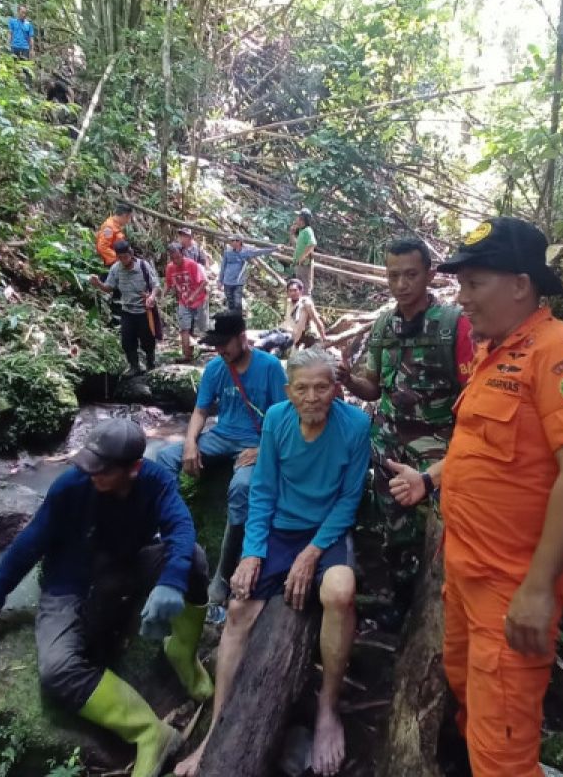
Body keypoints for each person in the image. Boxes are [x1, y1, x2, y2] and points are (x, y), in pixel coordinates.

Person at [403, 217, 563, 777]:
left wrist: (539, 589)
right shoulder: (494, 353)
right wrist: (430, 481)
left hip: (512, 586)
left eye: (475, 283)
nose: (462, 298)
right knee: (469, 701)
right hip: (464, 574)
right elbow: (479, 449)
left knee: (502, 748)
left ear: (521, 284)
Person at [0, 419, 213, 777]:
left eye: (102, 471)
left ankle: (181, 652)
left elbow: (180, 527)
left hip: (127, 565)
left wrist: (171, 581)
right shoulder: (70, 486)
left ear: (132, 468)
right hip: (70, 584)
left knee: (192, 558)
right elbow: (29, 544)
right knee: (58, 670)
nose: (92, 475)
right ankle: (150, 733)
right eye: (88, 466)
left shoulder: (155, 480)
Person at [175, 347, 370, 777]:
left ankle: (327, 711)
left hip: (327, 531)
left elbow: (348, 500)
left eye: (323, 386)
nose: (313, 396)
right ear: (289, 391)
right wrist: (251, 553)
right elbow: (262, 491)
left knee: (339, 592)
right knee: (240, 608)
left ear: (336, 389)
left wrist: (312, 552)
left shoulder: (355, 424)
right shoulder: (278, 419)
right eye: (303, 388)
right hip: (282, 528)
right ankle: (215, 731)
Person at [337, 237, 474, 600]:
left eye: (411, 274)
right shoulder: (383, 326)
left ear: (429, 274)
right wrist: (349, 379)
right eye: (393, 275)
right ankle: (398, 590)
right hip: (389, 446)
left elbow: (474, 396)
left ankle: (442, 593)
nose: (401, 284)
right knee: (394, 526)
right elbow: (373, 387)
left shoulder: (453, 325)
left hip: (439, 446)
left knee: (446, 525)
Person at [154, 312, 288, 607]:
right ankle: (169, 536)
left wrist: (265, 450)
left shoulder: (271, 368)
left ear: (242, 338)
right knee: (165, 458)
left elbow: (285, 418)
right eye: (215, 345)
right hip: (220, 437)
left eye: (224, 344)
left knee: (241, 488)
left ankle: (224, 574)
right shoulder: (216, 367)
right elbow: (201, 411)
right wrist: (190, 443)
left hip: (254, 442)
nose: (219, 351)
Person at [89, 242, 162, 377]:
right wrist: (98, 283)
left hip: (144, 310)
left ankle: (150, 363)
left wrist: (151, 297)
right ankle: (134, 366)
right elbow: (109, 287)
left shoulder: (143, 266)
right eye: (120, 257)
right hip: (127, 310)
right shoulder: (116, 269)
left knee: (147, 339)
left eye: (125, 257)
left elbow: (156, 285)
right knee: (127, 340)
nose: (123, 260)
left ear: (131, 254)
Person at [257, 278, 326, 356]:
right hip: (278, 331)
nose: (293, 293)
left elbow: (317, 321)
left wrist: (324, 338)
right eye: (290, 290)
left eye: (295, 290)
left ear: (301, 291)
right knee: (251, 337)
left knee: (259, 344)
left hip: (288, 335)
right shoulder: (289, 302)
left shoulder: (305, 303)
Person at [164, 244, 209, 363]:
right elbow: (168, 283)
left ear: (182, 255)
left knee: (202, 328)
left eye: (178, 257)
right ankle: (187, 355)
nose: (176, 261)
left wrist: (193, 296)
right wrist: (162, 295)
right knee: (185, 328)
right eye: (173, 259)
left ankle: (209, 351)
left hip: (199, 300)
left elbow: (204, 282)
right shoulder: (170, 268)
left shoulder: (192, 264)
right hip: (183, 301)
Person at [219, 235, 278, 313]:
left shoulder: (246, 252)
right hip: (227, 282)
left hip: (238, 282)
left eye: (233, 241)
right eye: (230, 241)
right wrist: (220, 280)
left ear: (239, 242)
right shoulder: (228, 253)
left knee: (237, 304)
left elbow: (260, 251)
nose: (231, 243)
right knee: (230, 304)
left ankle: (238, 321)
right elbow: (223, 266)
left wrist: (276, 248)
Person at [289, 207, 317, 296]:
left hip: (305, 265)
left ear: (302, 219)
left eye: (298, 217)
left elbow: (312, 244)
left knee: (305, 290)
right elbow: (296, 246)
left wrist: (303, 257)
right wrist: (292, 234)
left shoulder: (308, 230)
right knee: (300, 288)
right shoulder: (302, 231)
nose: (296, 219)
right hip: (300, 265)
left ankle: (307, 308)